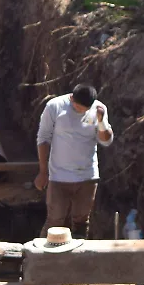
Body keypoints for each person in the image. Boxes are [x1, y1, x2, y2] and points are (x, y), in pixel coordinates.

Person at [35, 84, 115, 239]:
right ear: (71, 98)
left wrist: (101, 121)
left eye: (86, 109)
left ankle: (77, 256)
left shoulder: (97, 110)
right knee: (55, 221)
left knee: (81, 221)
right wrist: (43, 172)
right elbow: (43, 138)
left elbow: (106, 141)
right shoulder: (55, 107)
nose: (82, 112)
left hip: (87, 177)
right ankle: (43, 257)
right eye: (78, 108)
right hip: (59, 177)